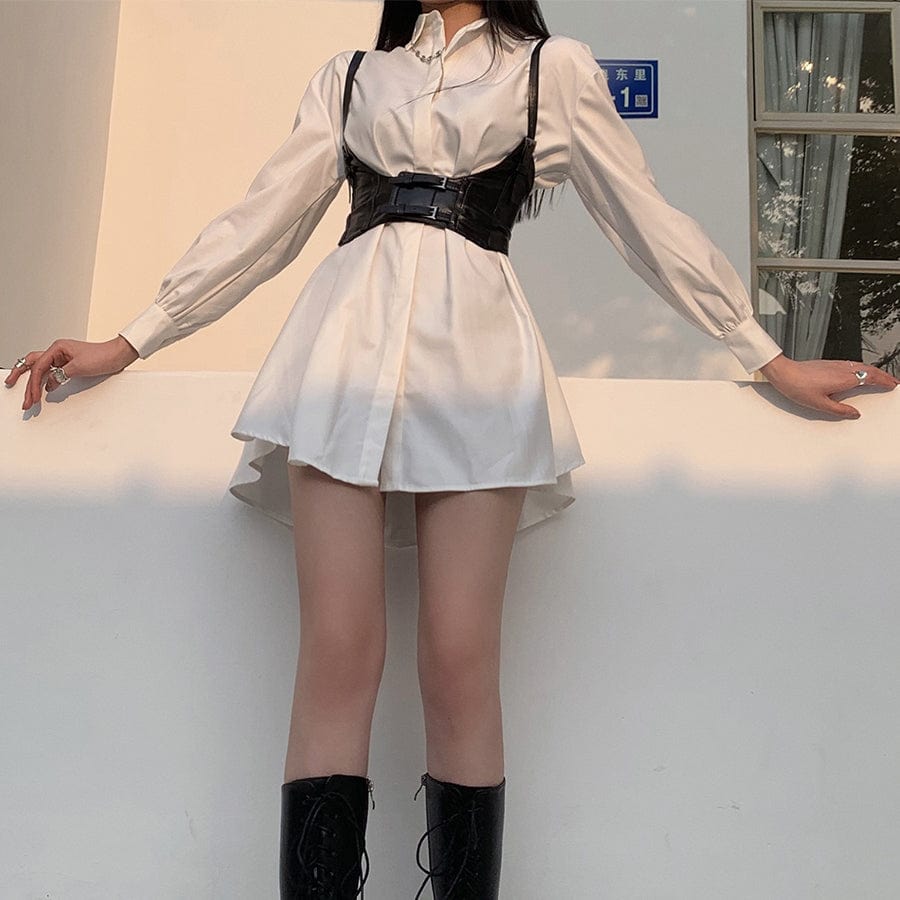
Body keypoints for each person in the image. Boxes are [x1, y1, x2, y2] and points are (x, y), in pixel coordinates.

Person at [7, 1, 899, 897]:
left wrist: (764, 352)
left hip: (479, 368)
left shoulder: (552, 70)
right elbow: (262, 221)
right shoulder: (353, 76)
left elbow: (643, 217)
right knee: (336, 653)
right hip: (338, 360)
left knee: (460, 660)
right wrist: (132, 339)